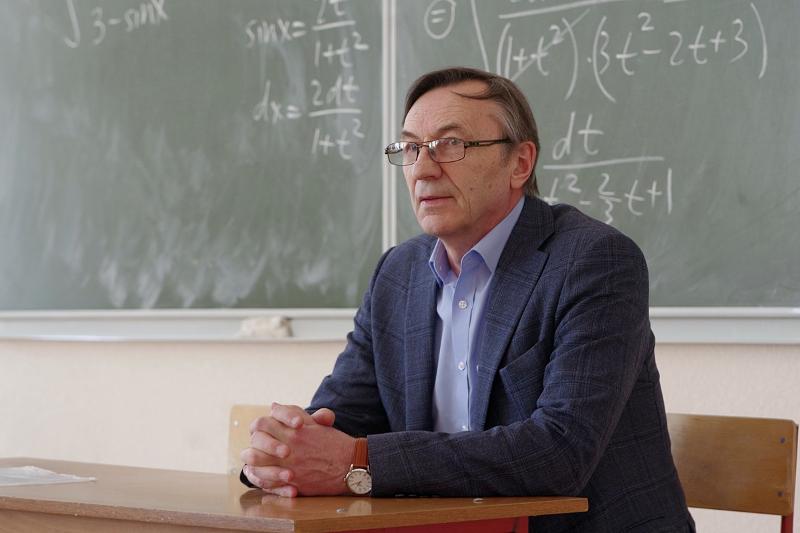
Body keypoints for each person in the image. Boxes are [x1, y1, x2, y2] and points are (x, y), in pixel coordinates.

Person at [240, 67, 695, 532]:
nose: (423, 169)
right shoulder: (398, 273)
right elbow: (343, 419)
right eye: (411, 148)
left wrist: (359, 461)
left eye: (450, 144)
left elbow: (559, 452)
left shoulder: (594, 261)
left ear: (520, 163)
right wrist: (283, 453)